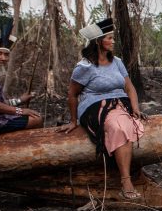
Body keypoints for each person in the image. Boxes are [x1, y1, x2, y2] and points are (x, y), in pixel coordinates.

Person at [59, 18, 146, 199]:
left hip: (119, 102)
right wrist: (73, 121)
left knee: (126, 122)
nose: (113, 41)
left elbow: (129, 87)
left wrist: (136, 107)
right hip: (94, 105)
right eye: (109, 38)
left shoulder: (117, 62)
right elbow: (72, 94)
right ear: (98, 41)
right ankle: (126, 180)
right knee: (119, 127)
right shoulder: (84, 67)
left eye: (113, 38)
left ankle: (126, 172)